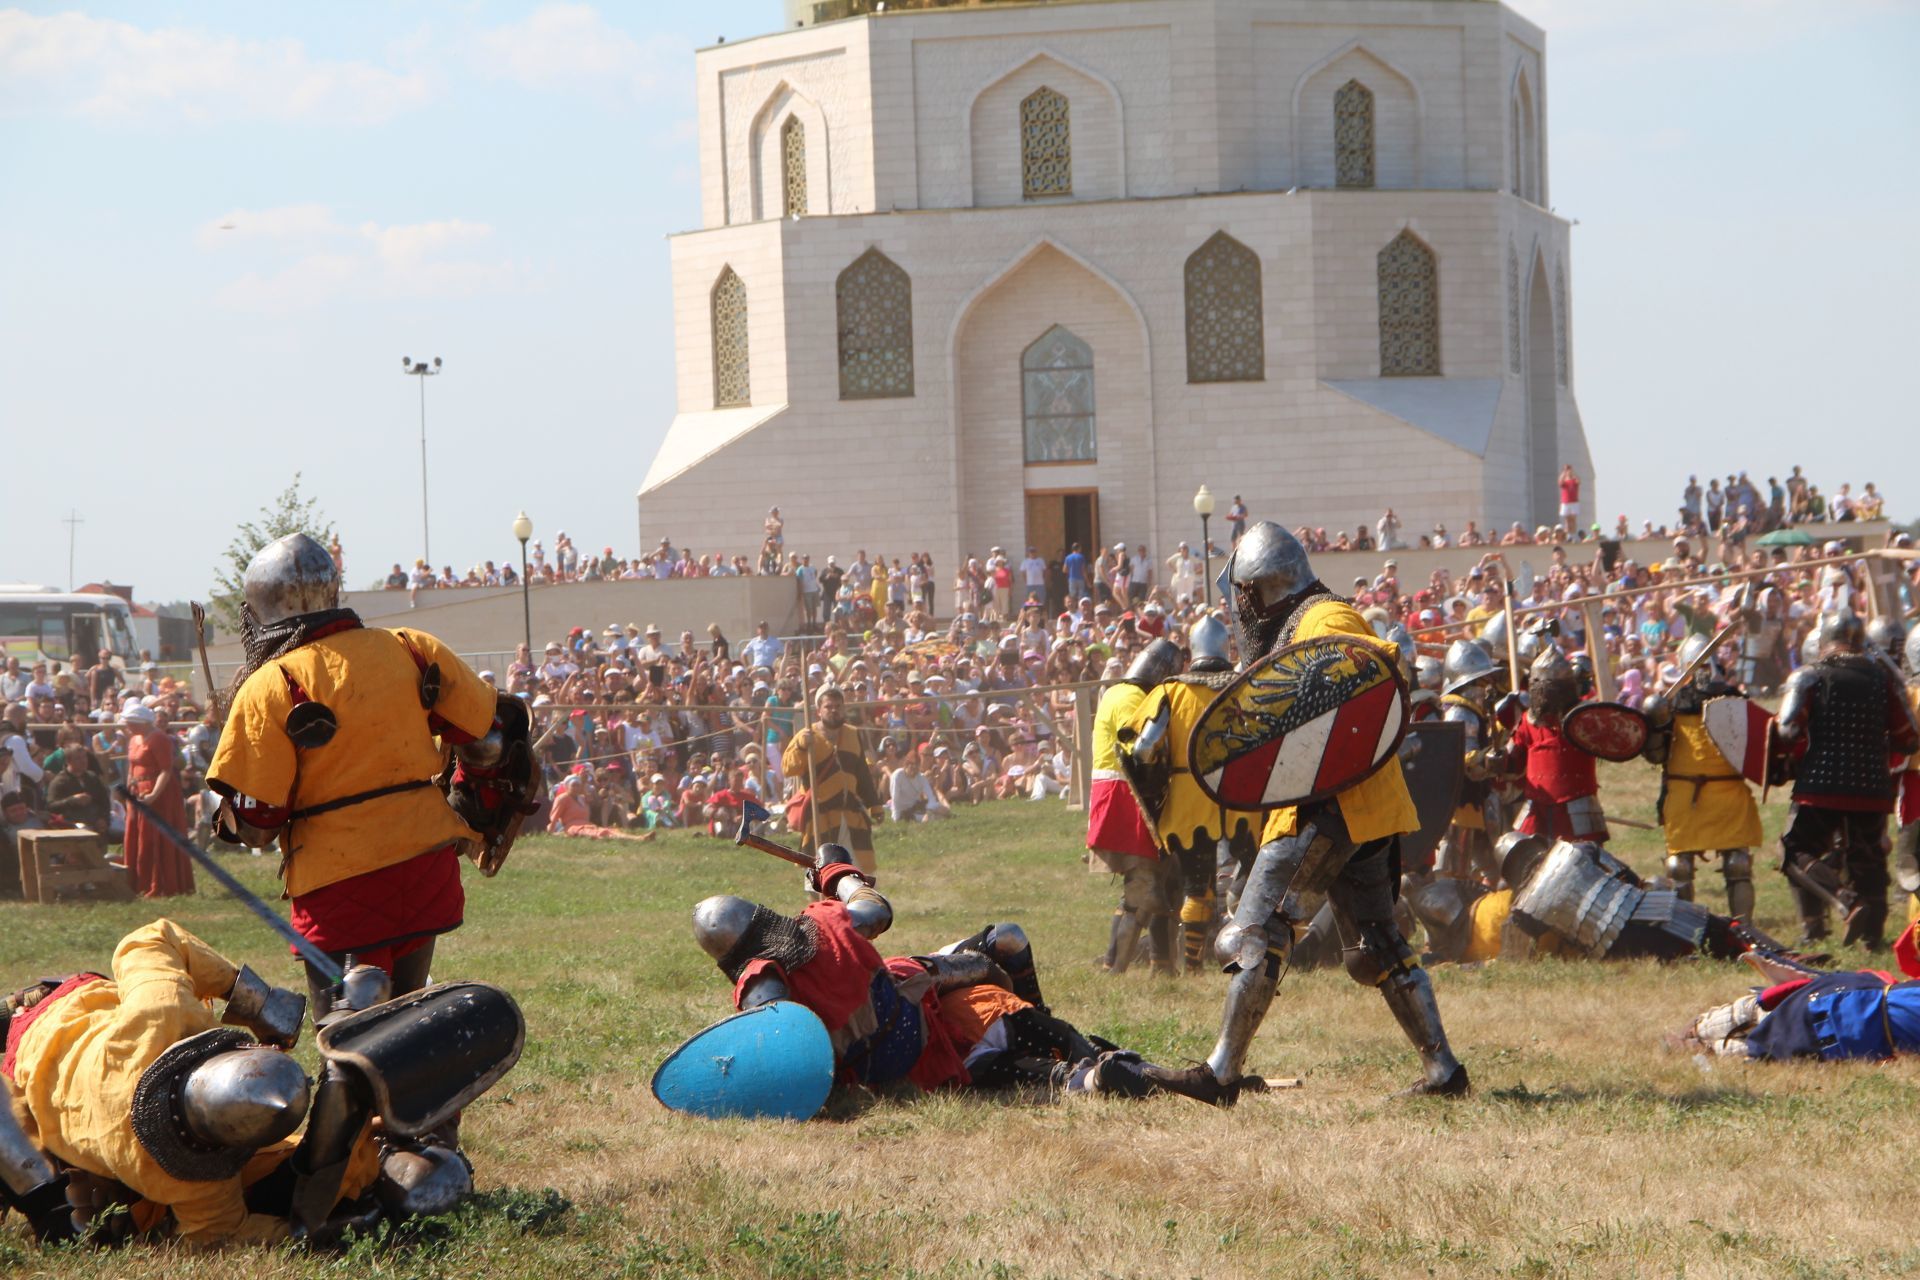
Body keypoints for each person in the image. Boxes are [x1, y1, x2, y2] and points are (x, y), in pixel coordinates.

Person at [1160, 523, 1466, 1099]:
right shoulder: (1301, 626)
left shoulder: (1325, 620)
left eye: (1242, 596)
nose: (1240, 608)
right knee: (1377, 945)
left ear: (1254, 591)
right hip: (1358, 810)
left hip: (1328, 810)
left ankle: (1221, 1072)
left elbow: (1380, 672)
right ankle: (1443, 1071)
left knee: (1254, 933)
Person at [207, 533, 539, 1018]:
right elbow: (489, 739)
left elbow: (260, 825)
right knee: (407, 1016)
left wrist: (229, 810)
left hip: (337, 885)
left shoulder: (267, 688)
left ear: (259, 610)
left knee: (345, 1032)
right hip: (424, 867)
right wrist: (466, 808)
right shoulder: (410, 648)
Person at [690, 849, 1230, 1103]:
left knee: (1028, 1063)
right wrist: (840, 875)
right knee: (1005, 943)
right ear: (760, 917)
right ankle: (1065, 1040)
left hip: (883, 1063)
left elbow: (781, 1038)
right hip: (916, 1011)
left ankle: (1078, 1062)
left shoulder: (761, 981)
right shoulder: (820, 922)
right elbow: (875, 912)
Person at [0, 919, 351, 1246]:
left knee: (53, 1195)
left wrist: (261, 1005)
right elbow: (221, 1235)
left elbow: (150, 938)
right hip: (39, 1053)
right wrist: (321, 1235)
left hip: (48, 1026)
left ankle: (16, 1009)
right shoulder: (196, 1186)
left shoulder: (161, 1015)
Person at [1403, 834, 1812, 969]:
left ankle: (1772, 961)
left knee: (1692, 950)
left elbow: (1519, 962)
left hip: (1616, 945)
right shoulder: (1574, 849)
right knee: (1717, 926)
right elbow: (1627, 877)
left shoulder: (1523, 911)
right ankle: (1782, 957)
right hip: (1642, 908)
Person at [1772, 606, 1920, 948]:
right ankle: (1873, 938)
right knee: (1868, 859)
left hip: (1820, 785)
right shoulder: (1884, 681)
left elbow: (1788, 729)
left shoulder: (1810, 675)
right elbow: (1909, 737)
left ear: (1825, 639)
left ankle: (1835, 909)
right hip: (1871, 787)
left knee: (1792, 850)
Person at [1120, 615, 1259, 976]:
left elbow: (1142, 749)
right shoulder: (1245, 687)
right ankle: (1252, 950)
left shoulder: (1170, 691)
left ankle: (1194, 967)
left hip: (1189, 803)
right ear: (1225, 648)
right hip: (1239, 801)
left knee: (1198, 887)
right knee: (1257, 874)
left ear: (1192, 651)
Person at [1640, 632, 1762, 918]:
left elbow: (1756, 747)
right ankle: (1689, 931)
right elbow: (1656, 754)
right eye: (1701, 667)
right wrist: (1654, 724)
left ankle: (1743, 931)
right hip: (1692, 796)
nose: (1704, 674)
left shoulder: (1733, 701)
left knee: (1734, 864)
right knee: (1683, 867)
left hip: (1720, 795)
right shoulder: (1671, 707)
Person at [1087, 639, 1185, 975]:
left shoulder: (1117, 692)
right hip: (1125, 795)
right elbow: (1140, 752)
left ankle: (1161, 963)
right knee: (1142, 886)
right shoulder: (1130, 698)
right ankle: (1115, 968)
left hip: (1123, 794)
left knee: (1153, 881)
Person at [1500, 645, 1609, 845]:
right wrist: (1496, 760)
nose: (1545, 694)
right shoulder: (1527, 720)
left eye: (1550, 688)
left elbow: (1609, 740)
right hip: (1536, 807)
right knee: (1525, 858)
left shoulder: (1583, 717)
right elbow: (1512, 763)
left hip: (1576, 807)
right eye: (1539, 687)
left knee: (1582, 862)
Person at [1431, 639, 1511, 885]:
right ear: (1466, 683)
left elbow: (1486, 744)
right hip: (1460, 804)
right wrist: (1487, 760)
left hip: (1477, 801)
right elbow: (1464, 759)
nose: (1487, 687)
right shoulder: (1459, 713)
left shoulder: (1476, 714)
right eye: (1481, 681)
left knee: (1491, 869)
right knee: (1456, 876)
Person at [782, 685, 884, 877]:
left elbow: (862, 773)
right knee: (818, 873)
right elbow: (788, 768)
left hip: (850, 813)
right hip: (820, 815)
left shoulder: (853, 734)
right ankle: (819, 907)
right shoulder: (806, 736)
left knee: (856, 871)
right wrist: (802, 747)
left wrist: (874, 805)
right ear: (819, 710)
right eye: (829, 706)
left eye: (838, 705)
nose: (834, 710)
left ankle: (852, 905)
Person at [119, 704, 194, 899]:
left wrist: (153, 795)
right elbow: (132, 766)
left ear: (140, 722)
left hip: (159, 793)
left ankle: (159, 883)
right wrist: (129, 787)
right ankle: (138, 881)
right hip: (137, 791)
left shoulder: (159, 738)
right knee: (136, 834)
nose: (127, 726)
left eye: (129, 723)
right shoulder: (134, 738)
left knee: (153, 838)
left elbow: (166, 770)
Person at [1558, 464, 1581, 537]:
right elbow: (1560, 482)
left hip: (1574, 502)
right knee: (1567, 519)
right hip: (1565, 502)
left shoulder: (1574, 480)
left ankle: (1574, 534)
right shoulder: (1564, 481)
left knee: (1573, 519)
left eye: (1569, 469)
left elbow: (1579, 481)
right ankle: (1568, 535)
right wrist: (1564, 472)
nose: (1568, 471)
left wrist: (1573, 473)